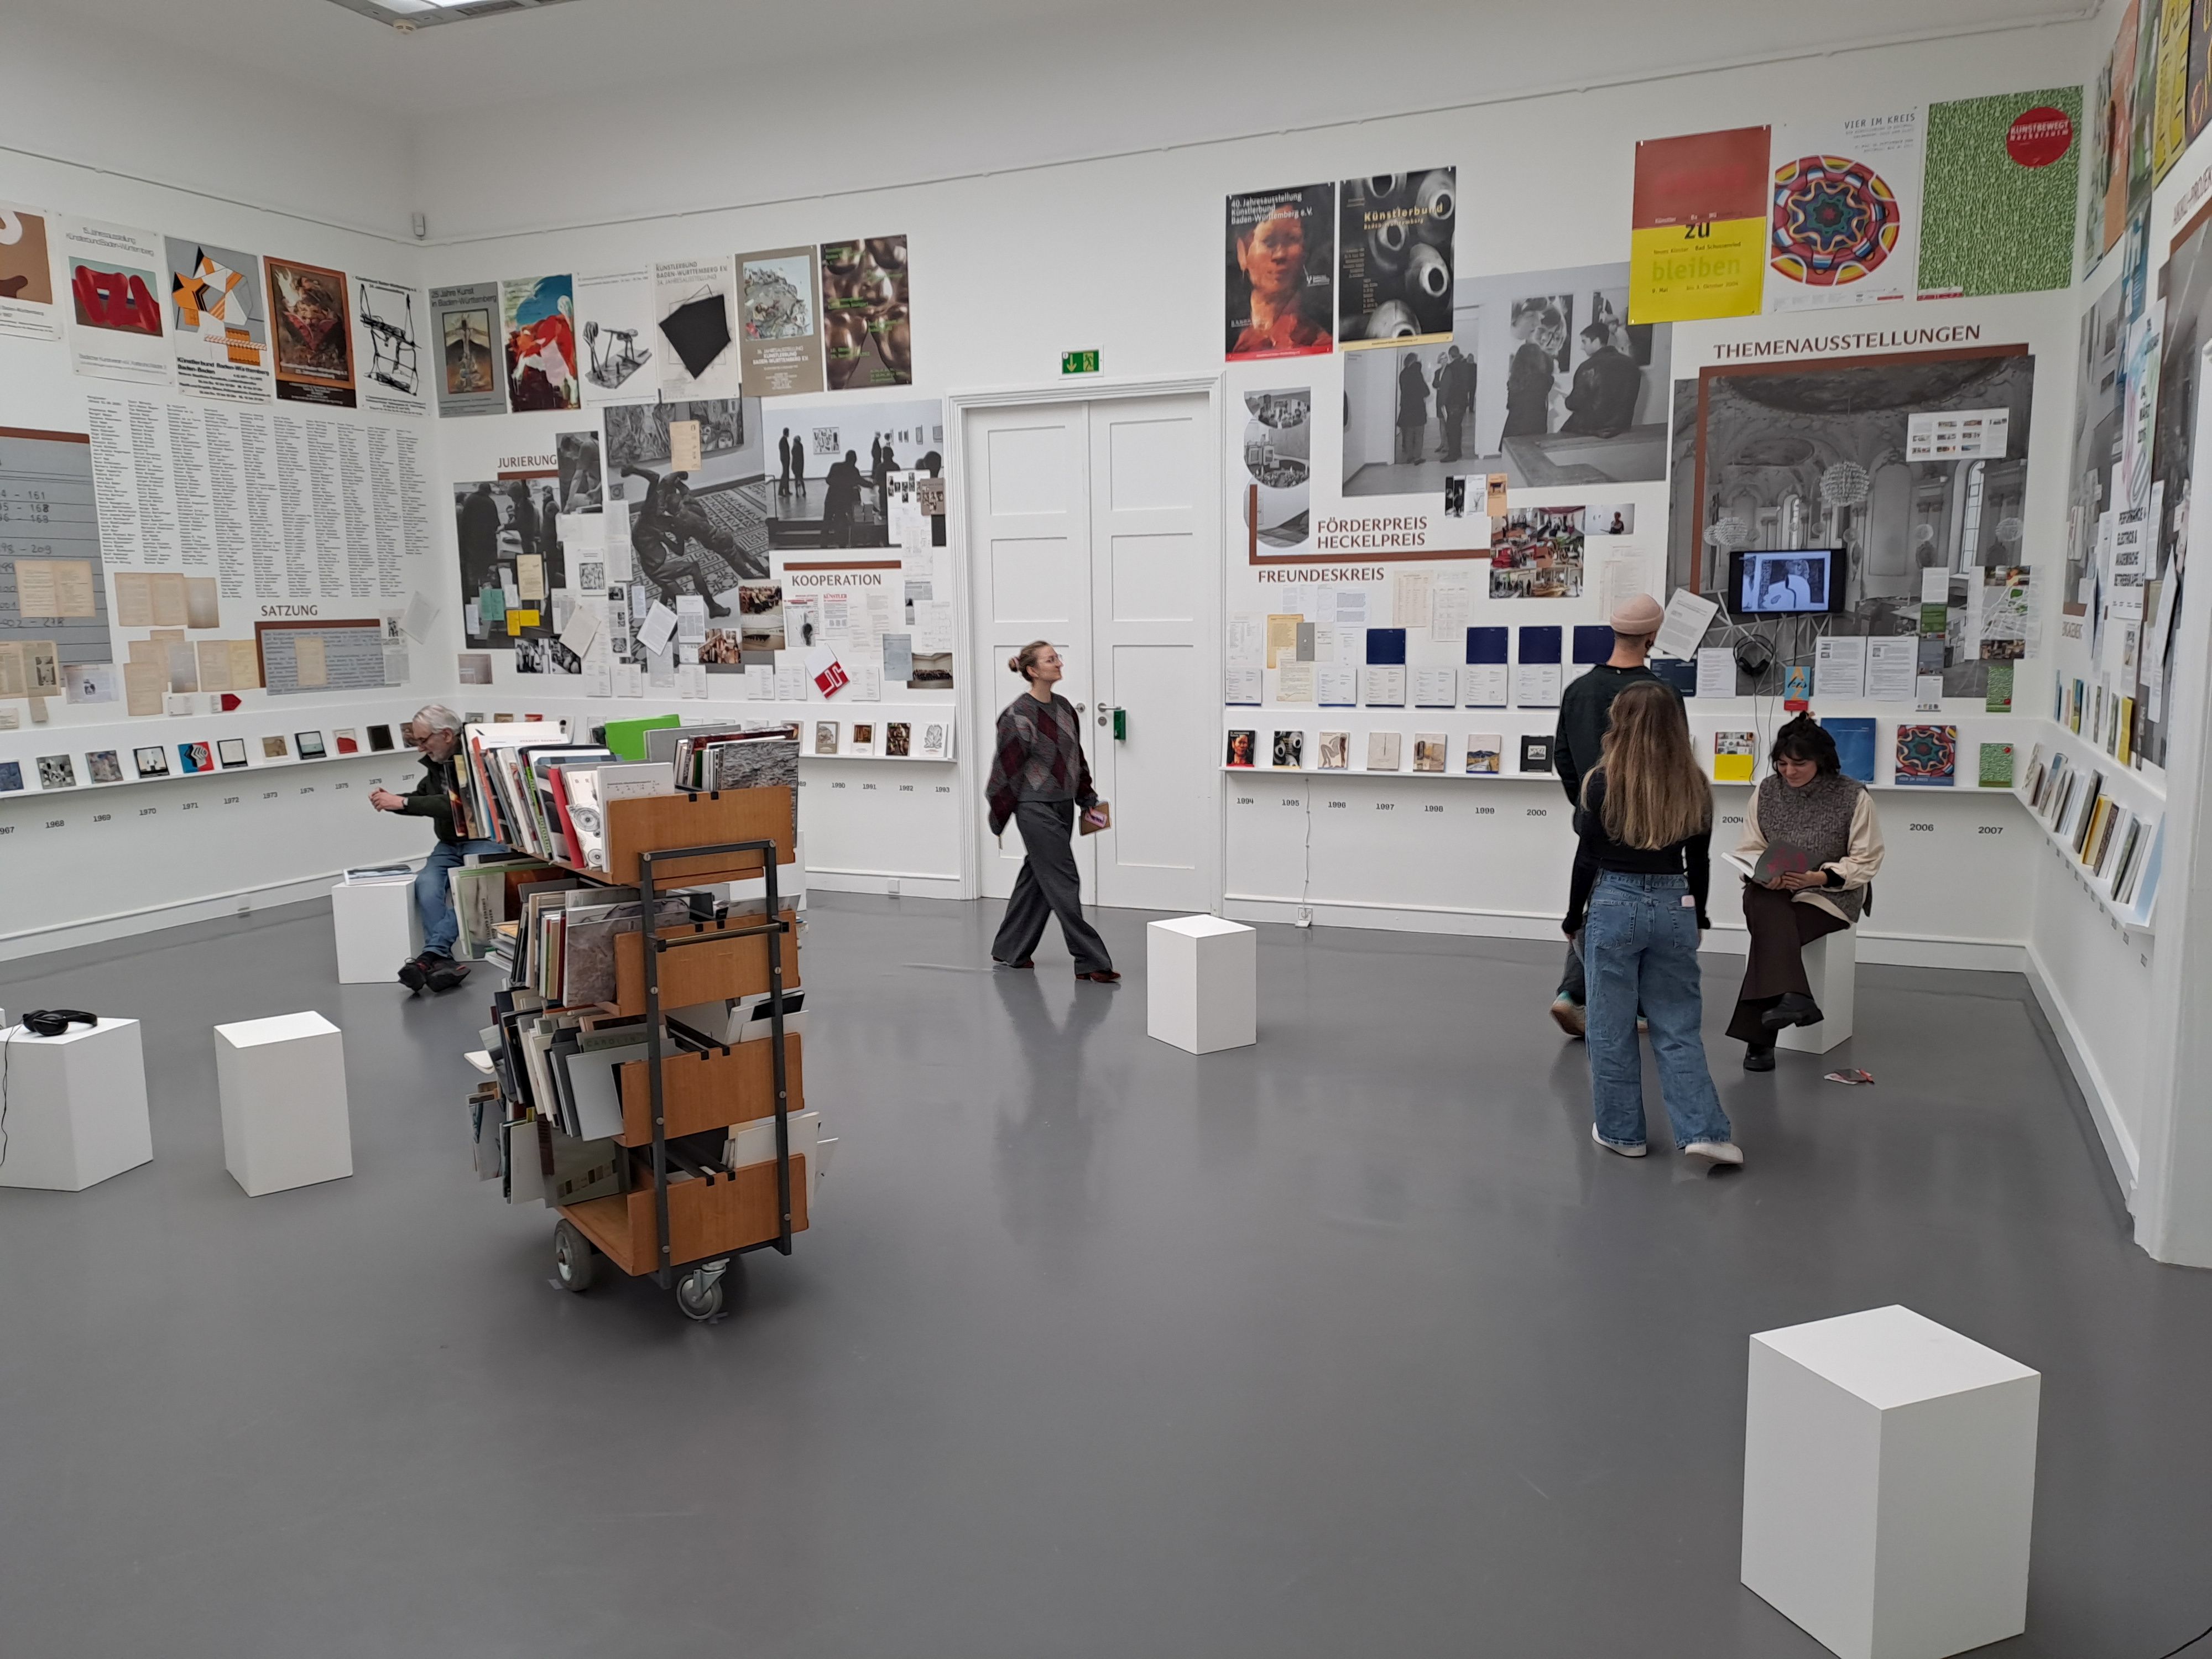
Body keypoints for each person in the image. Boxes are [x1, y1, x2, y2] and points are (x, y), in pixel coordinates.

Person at [1564, 682, 1741, 1167]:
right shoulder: (1694, 783)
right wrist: (1699, 914)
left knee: (1610, 1027)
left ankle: (1623, 1133)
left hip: (1613, 903)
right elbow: (1698, 861)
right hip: (1674, 903)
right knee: (1678, 1024)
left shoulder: (1601, 782)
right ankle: (1705, 1131)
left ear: (1619, 723)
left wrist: (1573, 916)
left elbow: (1587, 858)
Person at [1729, 716, 1885, 1071]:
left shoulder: (1853, 796)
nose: (1789, 772)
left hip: (1829, 895)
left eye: (1799, 764)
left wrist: (1819, 877)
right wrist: (1762, 874)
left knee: (1769, 934)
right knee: (1760, 901)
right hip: (1775, 890)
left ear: (1822, 760)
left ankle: (1761, 1040)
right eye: (1782, 764)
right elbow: (1751, 846)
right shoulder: (1767, 791)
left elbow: (1867, 859)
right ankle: (1795, 997)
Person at [1549, 593, 1672, 1034]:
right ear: (1652, 635)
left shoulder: (1578, 691)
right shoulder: (1661, 694)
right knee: (1647, 907)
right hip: (1650, 823)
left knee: (1597, 903)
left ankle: (1573, 994)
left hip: (1594, 820)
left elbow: (1563, 756)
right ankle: (1633, 1004)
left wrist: (1587, 804)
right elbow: (1672, 760)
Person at [985, 640, 1118, 982]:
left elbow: (1076, 757)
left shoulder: (1064, 708)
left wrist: (1087, 796)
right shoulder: (1016, 716)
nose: (1059, 663)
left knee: (1038, 877)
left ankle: (1009, 948)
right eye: (1050, 660)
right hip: (1034, 808)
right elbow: (1006, 771)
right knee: (1063, 879)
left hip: (1062, 804)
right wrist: (999, 816)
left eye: (1058, 658)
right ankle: (1090, 960)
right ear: (1032, 670)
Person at [368, 705, 503, 995]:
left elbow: (459, 804)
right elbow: (424, 798)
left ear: (446, 735)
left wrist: (402, 802)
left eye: (423, 740)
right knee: (427, 885)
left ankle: (430, 956)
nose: (420, 748)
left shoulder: (478, 759)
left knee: (468, 891)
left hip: (487, 840)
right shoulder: (437, 764)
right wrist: (392, 800)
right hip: (450, 844)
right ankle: (442, 962)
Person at [623, 463, 733, 615]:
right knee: (689, 584)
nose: (662, 506)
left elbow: (680, 551)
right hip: (656, 569)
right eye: (661, 501)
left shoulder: (668, 522)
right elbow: (655, 477)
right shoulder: (648, 514)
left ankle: (663, 609)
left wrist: (676, 535)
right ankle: (712, 608)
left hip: (657, 566)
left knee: (671, 590)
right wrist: (633, 470)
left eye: (666, 503)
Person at [1229, 201, 1329, 357]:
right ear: (1242, 253)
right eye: (1268, 242)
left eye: (1293, 239)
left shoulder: (1320, 340)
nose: (1280, 254)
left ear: (1305, 251)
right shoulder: (1225, 333)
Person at [1561, 320, 1643, 435]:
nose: (1582, 347)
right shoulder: (1631, 365)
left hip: (1592, 430)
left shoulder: (1587, 367)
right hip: (1622, 428)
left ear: (1596, 341)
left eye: (1584, 342)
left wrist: (1568, 399)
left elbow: (1573, 404)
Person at [1503, 301, 1557, 439]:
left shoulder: (1514, 380)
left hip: (1514, 427)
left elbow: (1510, 405)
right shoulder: (1544, 381)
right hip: (1535, 427)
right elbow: (1550, 375)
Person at [822, 448, 865, 546]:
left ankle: (823, 544)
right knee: (840, 521)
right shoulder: (853, 470)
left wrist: (838, 484)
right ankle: (841, 543)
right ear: (854, 460)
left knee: (827, 521)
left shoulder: (836, 466)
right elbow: (860, 481)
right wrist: (872, 485)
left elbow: (828, 480)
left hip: (831, 498)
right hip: (842, 500)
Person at [1395, 351, 1428, 465]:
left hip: (1406, 408)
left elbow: (1403, 390)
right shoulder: (1417, 374)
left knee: (1408, 434)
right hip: (1418, 408)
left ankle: (1409, 456)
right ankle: (1417, 458)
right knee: (1419, 434)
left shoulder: (1403, 374)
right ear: (1415, 361)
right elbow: (1426, 391)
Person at [778, 427, 792, 497]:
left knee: (786, 475)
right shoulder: (783, 441)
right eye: (788, 432)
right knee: (785, 476)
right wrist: (786, 460)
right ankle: (781, 491)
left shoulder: (784, 440)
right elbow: (784, 452)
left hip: (786, 460)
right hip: (785, 461)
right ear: (786, 433)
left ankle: (787, 491)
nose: (789, 434)